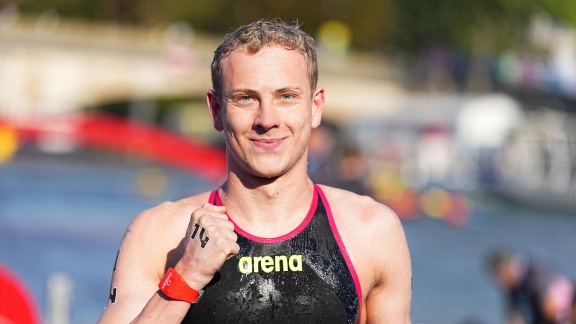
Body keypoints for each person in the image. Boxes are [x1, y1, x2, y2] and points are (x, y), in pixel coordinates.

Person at [97, 18, 412, 323]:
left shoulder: (371, 231)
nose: (267, 119)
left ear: (316, 107)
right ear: (217, 111)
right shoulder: (161, 234)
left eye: (286, 97)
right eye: (245, 99)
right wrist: (186, 276)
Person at [487, 248, 574, 324]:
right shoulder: (513, 283)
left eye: (500, 276)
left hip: (560, 310)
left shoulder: (535, 276)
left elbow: (550, 307)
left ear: (508, 268)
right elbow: (513, 315)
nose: (500, 282)